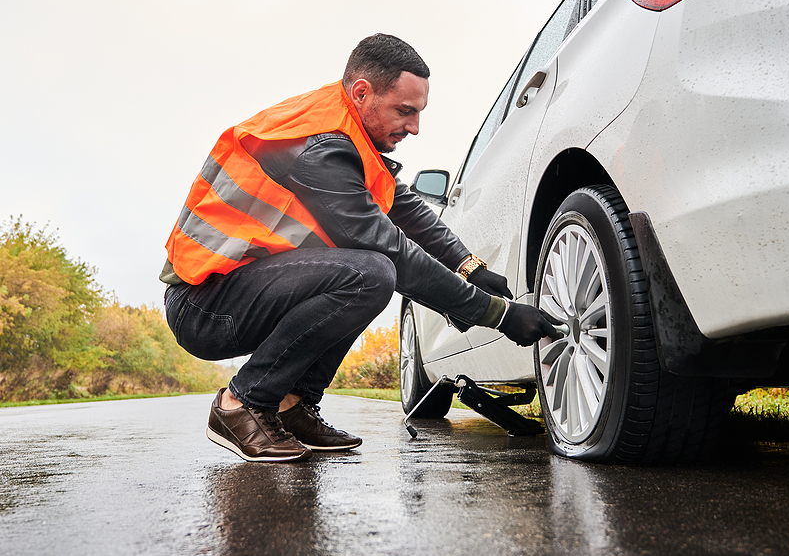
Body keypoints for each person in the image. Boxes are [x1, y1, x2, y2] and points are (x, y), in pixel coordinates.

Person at [161, 33, 559, 462]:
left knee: (366, 273)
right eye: (404, 111)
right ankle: (243, 404)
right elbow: (391, 249)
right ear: (362, 92)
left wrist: (469, 267)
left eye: (418, 113)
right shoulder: (318, 146)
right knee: (371, 274)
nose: (414, 127)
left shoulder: (349, 131)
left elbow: (405, 207)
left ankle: (292, 406)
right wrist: (495, 314)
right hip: (203, 306)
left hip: (242, 289)